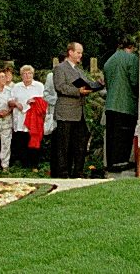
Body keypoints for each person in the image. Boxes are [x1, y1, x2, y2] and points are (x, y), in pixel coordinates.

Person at [52, 42, 101, 179]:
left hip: (80, 113)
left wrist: (98, 84)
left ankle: (78, 172)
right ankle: (62, 172)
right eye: (78, 52)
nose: (80, 55)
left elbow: (87, 84)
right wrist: (78, 91)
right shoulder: (60, 68)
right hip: (66, 113)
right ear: (70, 52)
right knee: (64, 145)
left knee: (79, 144)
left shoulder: (78, 70)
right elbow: (60, 87)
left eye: (81, 53)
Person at [103, 37, 139, 171]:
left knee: (111, 135)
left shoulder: (109, 60)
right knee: (123, 136)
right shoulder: (132, 59)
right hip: (126, 104)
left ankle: (111, 163)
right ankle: (121, 162)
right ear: (132, 47)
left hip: (110, 104)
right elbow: (135, 82)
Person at [9, 65, 45, 170]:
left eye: (29, 73)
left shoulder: (39, 86)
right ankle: (24, 166)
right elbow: (10, 101)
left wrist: (34, 101)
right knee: (21, 142)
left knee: (33, 142)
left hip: (34, 120)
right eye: (24, 74)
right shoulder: (16, 87)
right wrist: (15, 103)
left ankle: (34, 165)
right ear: (21, 76)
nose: (27, 75)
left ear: (33, 74)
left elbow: (44, 102)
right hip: (20, 119)